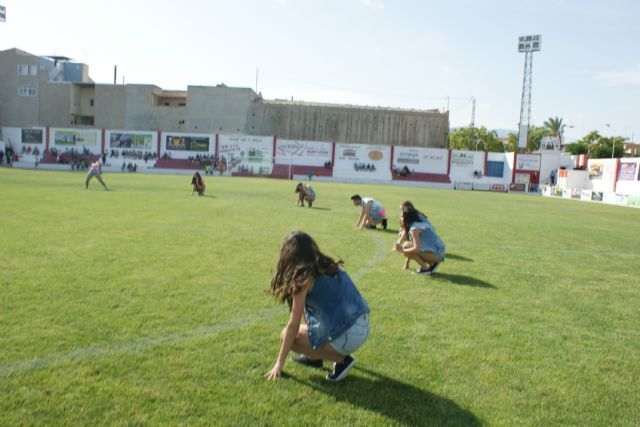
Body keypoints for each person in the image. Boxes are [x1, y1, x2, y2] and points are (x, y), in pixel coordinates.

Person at [265, 231, 370, 382]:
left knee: (286, 337)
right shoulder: (329, 265)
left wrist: (278, 364)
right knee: (307, 321)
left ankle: (342, 360)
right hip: (363, 325)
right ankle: (314, 358)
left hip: (348, 335)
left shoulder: (302, 279)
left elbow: (293, 326)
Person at [393, 206, 445, 275]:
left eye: (402, 216)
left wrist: (401, 250)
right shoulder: (417, 224)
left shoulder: (414, 229)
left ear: (407, 218)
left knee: (406, 246)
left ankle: (425, 269)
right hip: (439, 252)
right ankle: (431, 263)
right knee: (407, 247)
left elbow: (416, 248)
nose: (400, 218)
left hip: (438, 255)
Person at [394, 201, 428, 270]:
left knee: (407, 246)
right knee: (407, 243)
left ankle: (423, 265)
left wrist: (399, 244)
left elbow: (405, 232)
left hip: (423, 242)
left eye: (402, 209)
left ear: (408, 208)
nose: (401, 212)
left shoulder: (413, 218)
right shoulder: (412, 215)